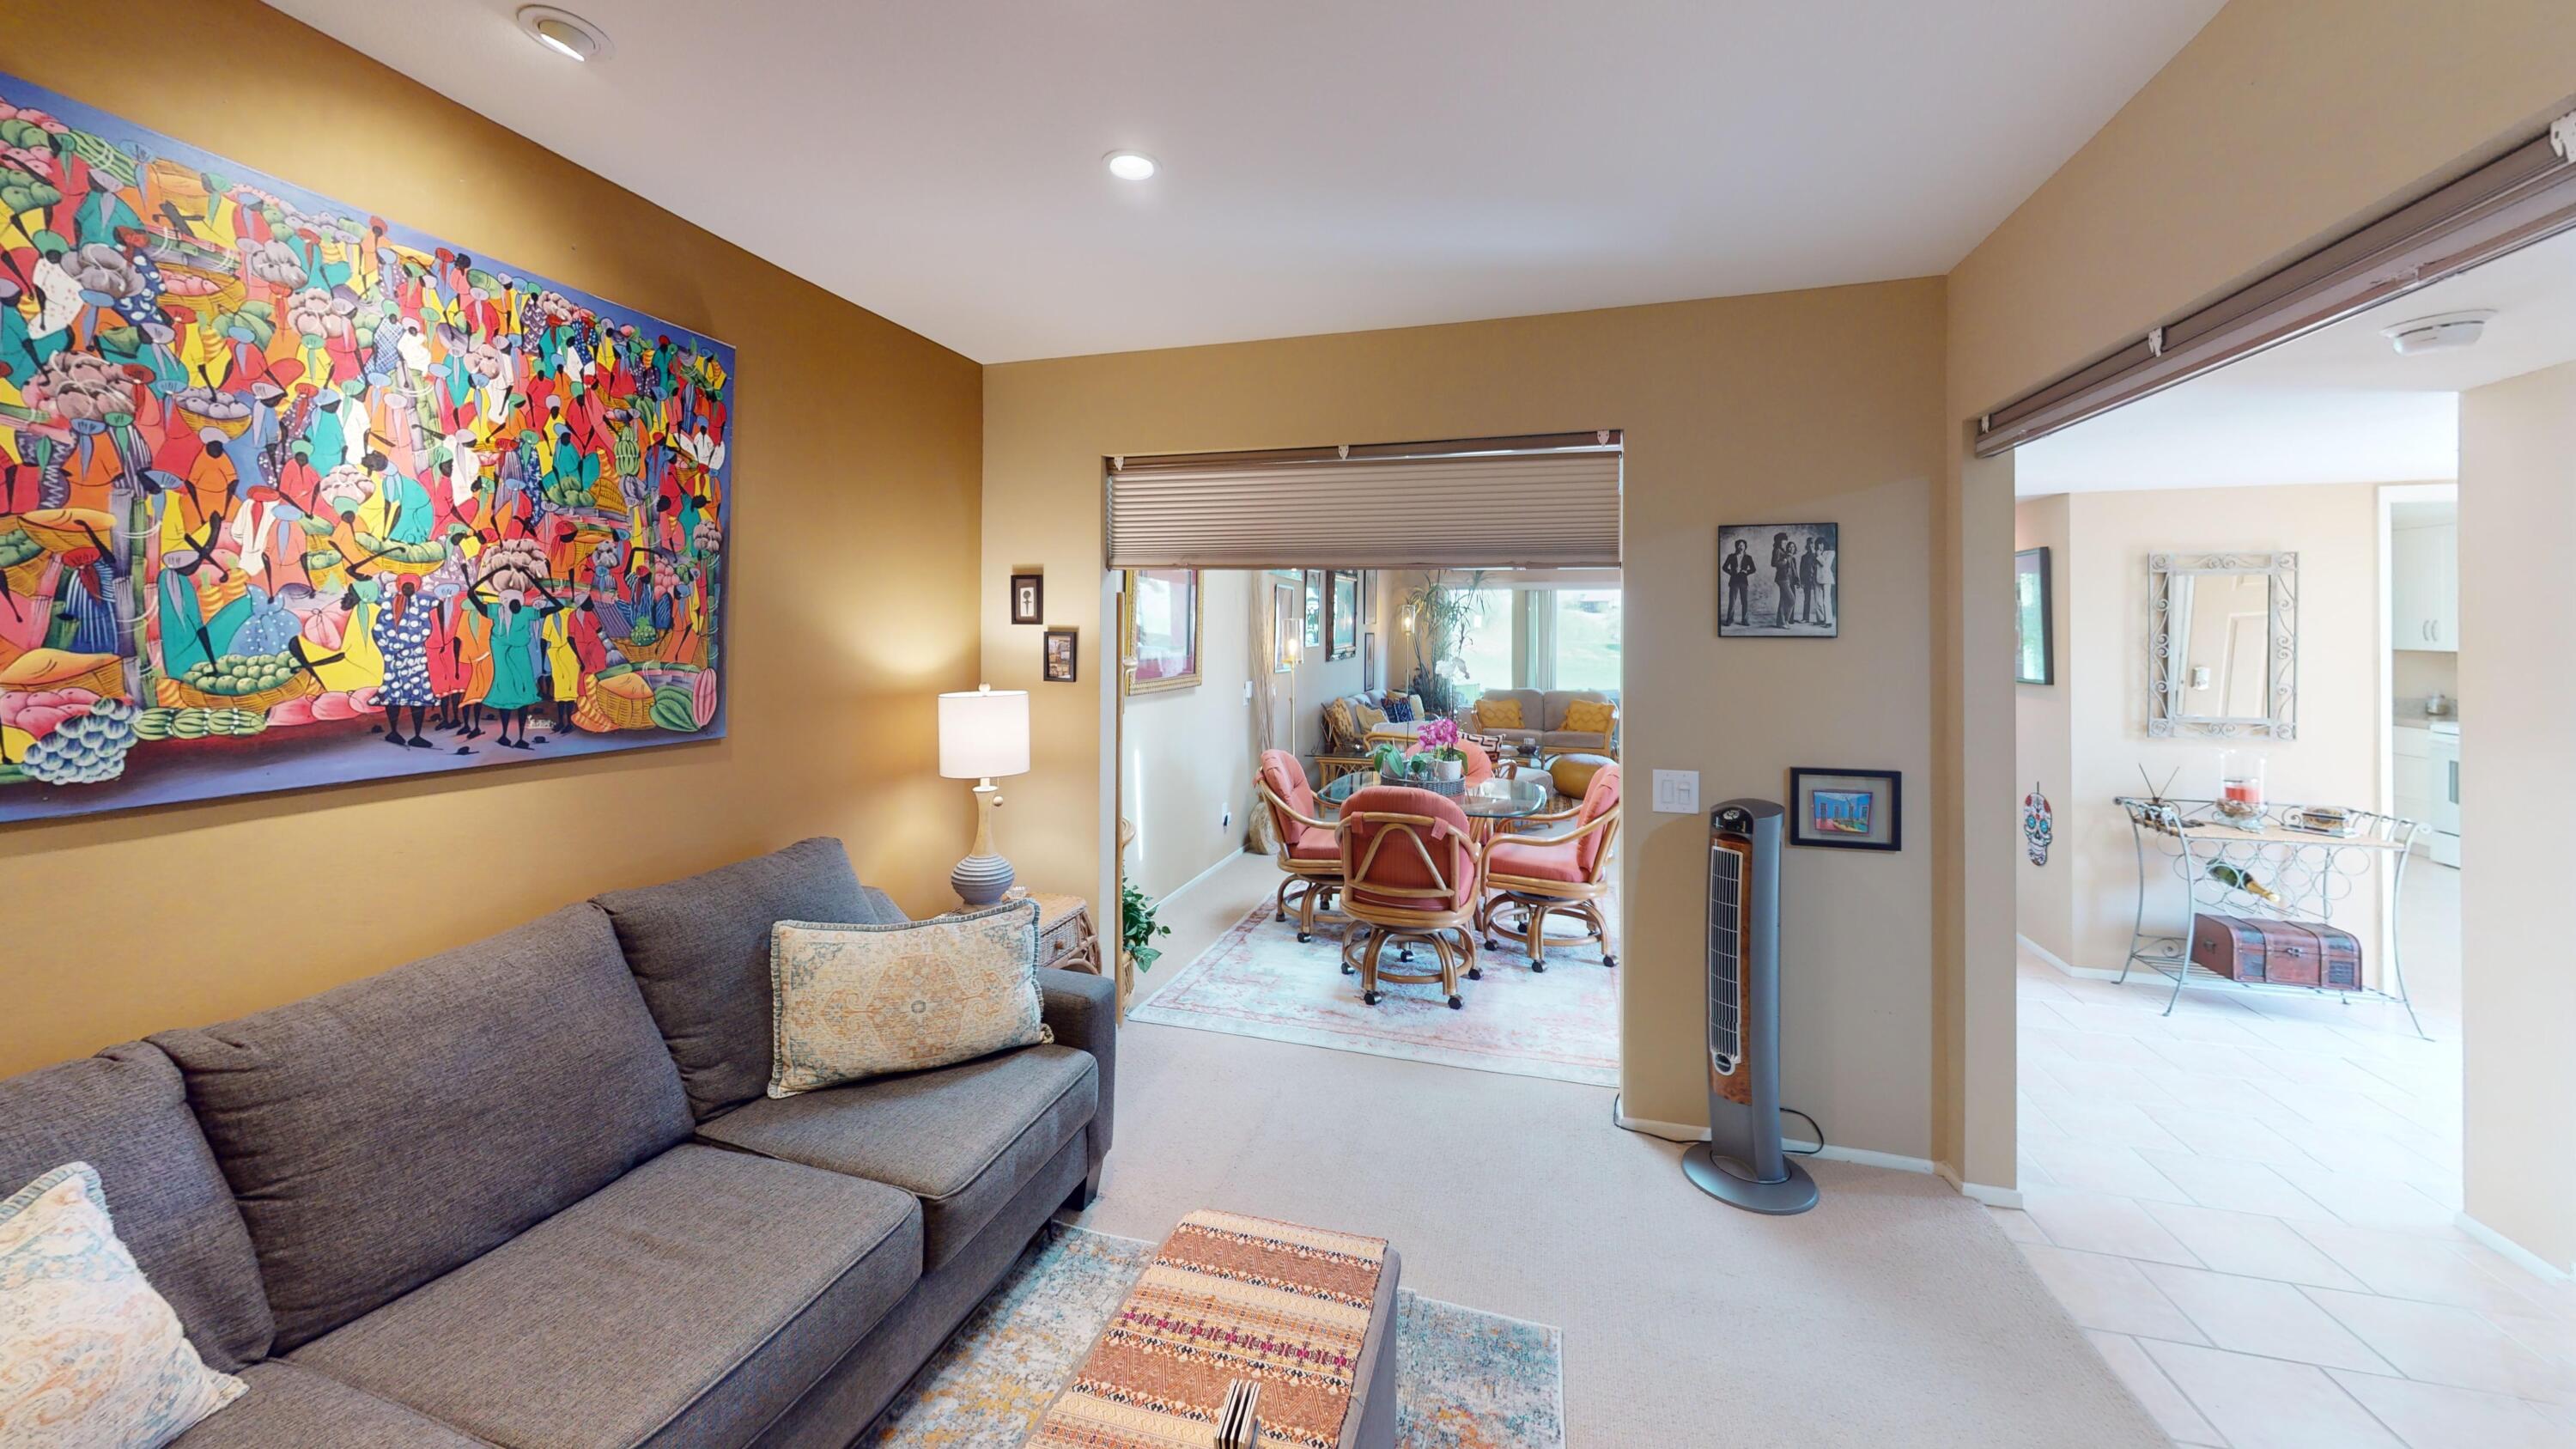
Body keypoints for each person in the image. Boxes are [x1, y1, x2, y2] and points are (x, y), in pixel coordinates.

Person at [1722, 539, 1756, 626]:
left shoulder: (1749, 558)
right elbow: (1724, 567)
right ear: (1737, 546)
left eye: (1743, 545)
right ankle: (1729, 620)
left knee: (1745, 602)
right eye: (1740, 545)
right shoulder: (1731, 556)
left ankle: (1745, 620)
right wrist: (1732, 572)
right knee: (1732, 601)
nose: (1741, 547)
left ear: (1745, 547)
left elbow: (1753, 569)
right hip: (1734, 581)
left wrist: (1746, 572)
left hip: (1744, 581)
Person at [1770, 531, 1799, 629]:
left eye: (1786, 541)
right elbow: (1773, 563)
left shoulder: (1783, 551)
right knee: (1791, 599)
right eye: (1784, 541)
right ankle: (1785, 620)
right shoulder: (1777, 550)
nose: (1785, 543)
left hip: (1787, 578)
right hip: (1782, 578)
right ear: (1779, 541)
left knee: (1783, 600)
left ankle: (1781, 622)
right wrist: (1784, 561)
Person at [1798, 539, 1829, 625]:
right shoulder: (1804, 557)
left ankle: (1823, 619)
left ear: (1814, 546)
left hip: (1817, 579)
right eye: (1809, 544)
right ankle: (1806, 618)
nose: (1811, 546)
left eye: (1812, 544)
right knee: (1807, 599)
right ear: (1807, 546)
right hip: (1807, 580)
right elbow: (1801, 570)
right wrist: (1802, 581)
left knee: (1819, 600)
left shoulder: (1817, 555)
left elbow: (1822, 566)